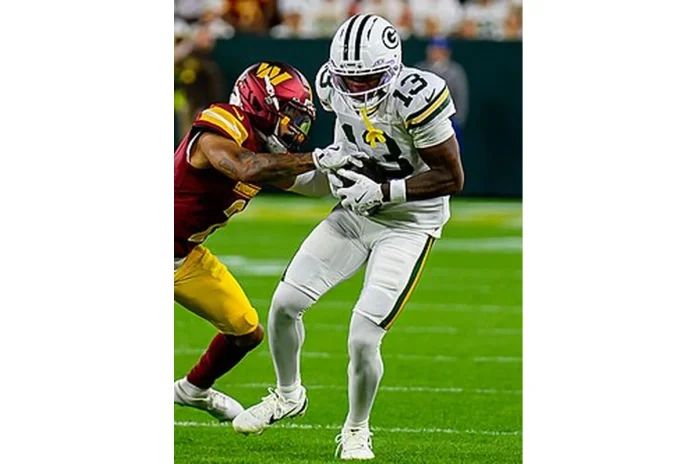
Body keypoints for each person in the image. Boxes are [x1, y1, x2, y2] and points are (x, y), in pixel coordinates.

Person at [232, 15, 465, 461]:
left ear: (392, 68)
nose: (356, 89)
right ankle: (288, 395)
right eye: (348, 79)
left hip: (408, 223)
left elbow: (451, 177)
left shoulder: (418, 96)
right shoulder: (330, 85)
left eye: (368, 79)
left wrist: (383, 191)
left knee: (363, 337)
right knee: (284, 305)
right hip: (355, 213)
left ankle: (357, 429)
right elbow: (339, 164)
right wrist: (308, 170)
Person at [173, 62, 361, 422]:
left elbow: (308, 185)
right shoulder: (224, 123)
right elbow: (245, 167)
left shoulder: (263, 150)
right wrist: (317, 158)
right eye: (292, 116)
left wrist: (347, 175)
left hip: (183, 256)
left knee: (246, 332)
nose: (297, 128)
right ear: (262, 103)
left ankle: (192, 389)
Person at [415, 36, 469, 149]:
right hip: (423, 119)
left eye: (439, 49)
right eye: (433, 49)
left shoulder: (455, 71)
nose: (435, 52)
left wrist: (458, 121)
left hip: (448, 120)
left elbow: (461, 97)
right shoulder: (420, 69)